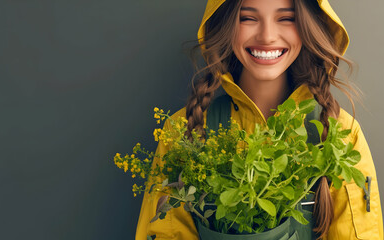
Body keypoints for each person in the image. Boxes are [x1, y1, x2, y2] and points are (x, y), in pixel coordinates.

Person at [136, 0, 383, 239]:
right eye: (248, 18)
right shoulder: (183, 132)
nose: (267, 36)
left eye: (286, 18)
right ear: (227, 26)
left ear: (309, 27)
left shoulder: (341, 133)